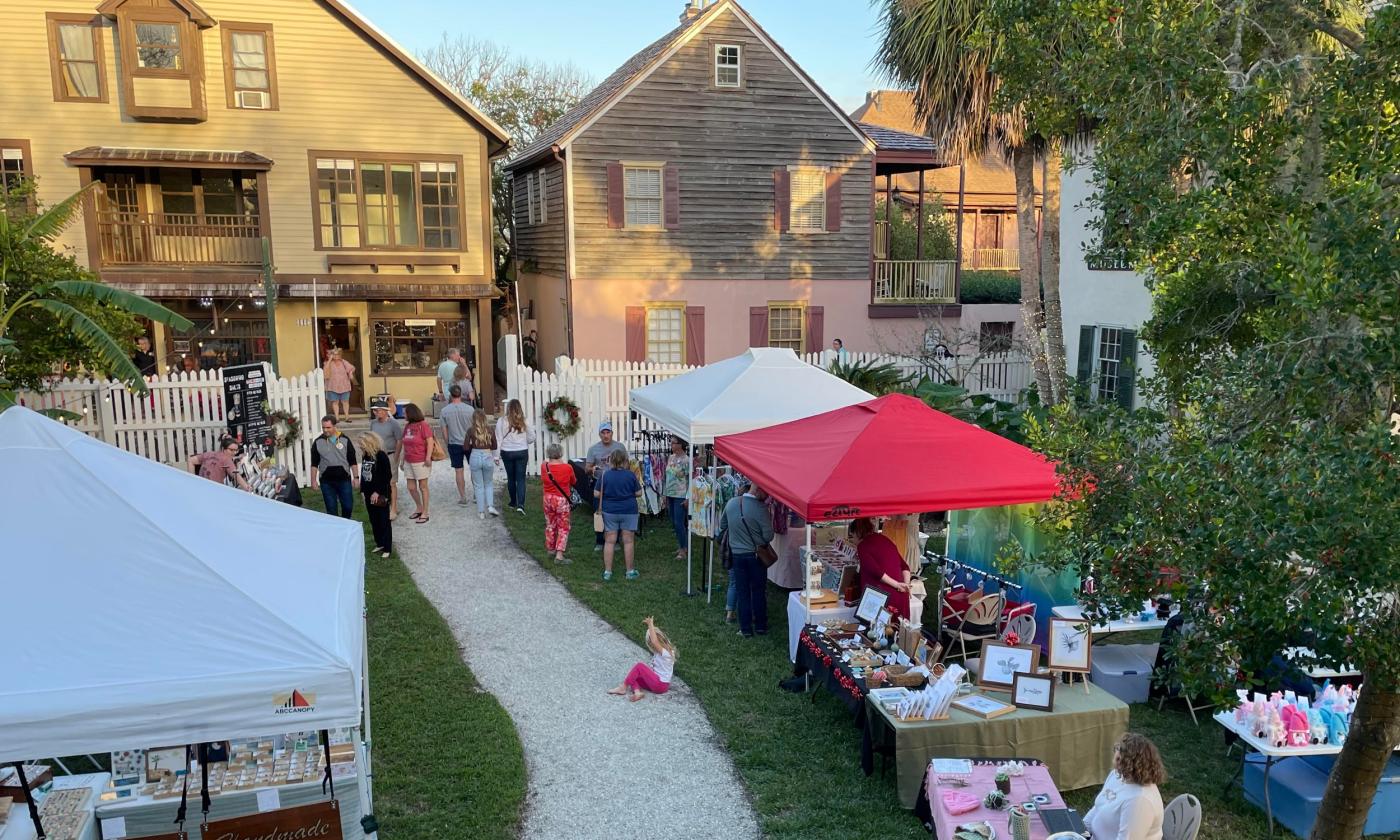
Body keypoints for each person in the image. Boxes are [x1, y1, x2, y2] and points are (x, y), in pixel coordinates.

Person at [1084, 733, 1167, 840]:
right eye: (1119, 749)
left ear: (1139, 765)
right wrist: (1078, 830)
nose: (1117, 756)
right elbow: (1098, 807)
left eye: (1126, 757)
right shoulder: (1118, 775)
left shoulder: (1140, 801)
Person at [719, 483, 776, 637]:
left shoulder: (731, 503)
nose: (768, 496)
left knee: (742, 592)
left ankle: (745, 629)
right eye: (766, 492)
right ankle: (760, 626)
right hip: (756, 556)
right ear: (757, 489)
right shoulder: (760, 509)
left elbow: (722, 525)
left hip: (737, 555)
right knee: (758, 591)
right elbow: (768, 536)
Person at [849, 517, 912, 619]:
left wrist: (898, 585)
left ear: (857, 533)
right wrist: (906, 585)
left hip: (882, 596)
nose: (853, 540)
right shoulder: (885, 539)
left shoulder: (863, 546)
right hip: (900, 595)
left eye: (852, 536)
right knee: (899, 631)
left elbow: (876, 572)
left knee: (878, 631)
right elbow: (905, 566)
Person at [595, 448, 641, 581]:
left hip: (609, 511)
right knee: (628, 541)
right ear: (625, 461)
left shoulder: (605, 475)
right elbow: (639, 493)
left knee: (609, 541)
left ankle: (607, 572)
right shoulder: (630, 475)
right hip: (629, 510)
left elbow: (597, 494)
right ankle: (630, 571)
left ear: (611, 460)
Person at [608, 616, 677, 702]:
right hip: (657, 685)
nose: (651, 646)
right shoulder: (659, 653)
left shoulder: (667, 653)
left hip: (660, 684)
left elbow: (655, 641)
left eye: (650, 643)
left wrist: (650, 625)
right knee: (634, 675)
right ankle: (637, 693)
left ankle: (623, 688)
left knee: (639, 666)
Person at [585, 421, 628, 551]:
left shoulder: (619, 447)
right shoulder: (593, 449)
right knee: (599, 512)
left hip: (616, 484)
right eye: (603, 433)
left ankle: (615, 541)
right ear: (599, 434)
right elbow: (587, 467)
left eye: (608, 432)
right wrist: (591, 469)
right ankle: (599, 541)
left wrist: (619, 470)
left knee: (615, 512)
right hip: (600, 483)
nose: (605, 435)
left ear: (612, 433)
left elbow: (627, 465)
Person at [310, 415, 358, 518]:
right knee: (331, 510)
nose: (325, 430)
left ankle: (346, 524)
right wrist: (313, 480)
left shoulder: (345, 440)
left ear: (334, 426)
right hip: (326, 482)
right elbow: (314, 463)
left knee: (348, 506)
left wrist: (356, 478)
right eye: (323, 427)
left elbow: (352, 461)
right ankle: (336, 529)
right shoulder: (318, 442)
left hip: (344, 479)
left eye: (328, 427)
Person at [496, 399, 536, 513]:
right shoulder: (524, 420)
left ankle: (513, 501)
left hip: (507, 451)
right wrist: (525, 441)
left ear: (508, 408)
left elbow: (498, 438)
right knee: (521, 478)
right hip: (521, 451)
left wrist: (496, 455)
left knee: (511, 478)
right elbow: (532, 436)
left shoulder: (501, 421)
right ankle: (521, 505)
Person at [439, 385, 476, 507]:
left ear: (450, 395)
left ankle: (463, 496)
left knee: (459, 471)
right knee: (474, 469)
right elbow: (475, 428)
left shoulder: (444, 411)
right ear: (461, 394)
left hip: (454, 443)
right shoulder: (470, 409)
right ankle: (476, 493)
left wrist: (447, 442)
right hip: (469, 442)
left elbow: (444, 431)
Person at [358, 431, 393, 558]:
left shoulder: (381, 456)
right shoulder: (366, 456)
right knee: (374, 520)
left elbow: (387, 476)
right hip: (368, 494)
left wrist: (377, 492)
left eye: (361, 443)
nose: (360, 446)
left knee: (383, 520)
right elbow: (364, 475)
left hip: (381, 494)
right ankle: (380, 543)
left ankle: (387, 547)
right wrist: (363, 491)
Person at [540, 443, 577, 564]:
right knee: (563, 527)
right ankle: (559, 555)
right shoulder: (567, 468)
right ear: (560, 453)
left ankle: (550, 549)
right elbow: (573, 481)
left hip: (547, 499)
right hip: (561, 499)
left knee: (550, 524)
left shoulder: (544, 466)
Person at [368, 398, 403, 519]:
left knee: (392, 482)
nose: (375, 413)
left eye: (377, 411)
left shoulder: (393, 423)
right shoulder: (373, 423)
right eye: (374, 411)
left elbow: (399, 440)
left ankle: (393, 508)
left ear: (384, 411)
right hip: (377, 456)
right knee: (379, 481)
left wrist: (396, 456)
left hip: (390, 455)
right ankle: (383, 504)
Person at [398, 403, 433, 523]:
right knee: (411, 487)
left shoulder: (423, 425)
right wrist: (402, 460)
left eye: (405, 412)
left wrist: (428, 457)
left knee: (423, 487)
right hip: (408, 460)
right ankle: (419, 507)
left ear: (411, 413)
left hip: (421, 460)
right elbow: (404, 444)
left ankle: (425, 512)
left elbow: (430, 442)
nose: (403, 415)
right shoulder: (407, 426)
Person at [465, 409, 499, 519]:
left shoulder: (470, 430)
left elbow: (465, 447)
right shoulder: (490, 430)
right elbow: (494, 446)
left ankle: (481, 512)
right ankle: (490, 506)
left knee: (478, 485)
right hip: (487, 455)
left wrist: (472, 446)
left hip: (475, 455)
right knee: (488, 483)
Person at [663, 436, 691, 560]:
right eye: (671, 443)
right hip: (670, 494)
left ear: (681, 444)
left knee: (679, 523)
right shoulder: (671, 458)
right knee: (674, 522)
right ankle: (681, 545)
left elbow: (690, 480)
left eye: (674, 443)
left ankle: (684, 549)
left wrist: (688, 497)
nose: (671, 445)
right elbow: (667, 477)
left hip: (680, 494)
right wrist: (664, 493)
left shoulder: (687, 460)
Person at [323, 348, 355, 420]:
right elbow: (325, 370)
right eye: (334, 354)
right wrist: (330, 359)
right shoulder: (328, 363)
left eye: (337, 354)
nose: (336, 355)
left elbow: (351, 368)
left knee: (345, 402)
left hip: (344, 385)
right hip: (333, 386)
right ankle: (337, 418)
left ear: (340, 355)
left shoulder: (344, 362)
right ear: (331, 355)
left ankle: (347, 417)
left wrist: (350, 373)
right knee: (335, 402)